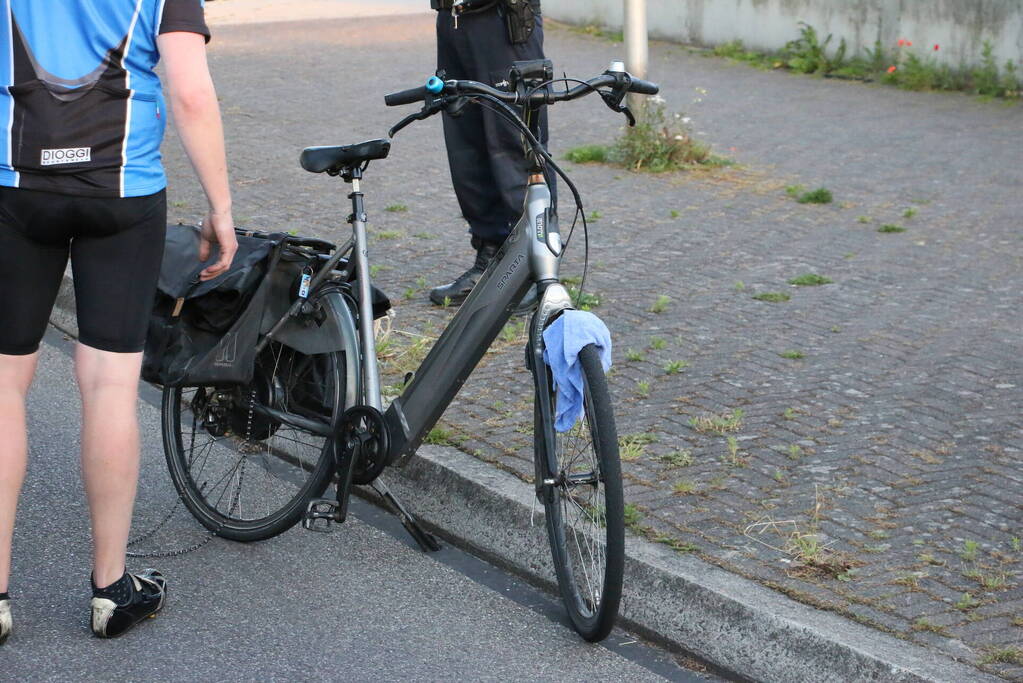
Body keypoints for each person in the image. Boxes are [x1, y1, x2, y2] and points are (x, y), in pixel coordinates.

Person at [0, 0, 236, 642]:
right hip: (123, 191)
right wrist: (220, 206)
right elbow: (190, 91)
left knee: (3, 385)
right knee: (109, 384)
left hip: (16, 184)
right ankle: (110, 590)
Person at [429, 0, 551, 306]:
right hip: (453, 19)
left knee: (516, 145)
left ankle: (535, 271)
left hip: (502, 20)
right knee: (467, 150)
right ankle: (490, 260)